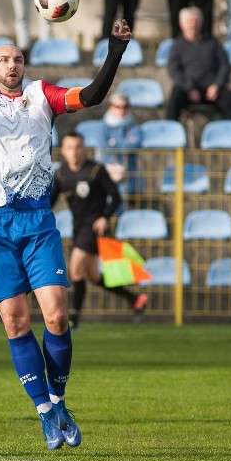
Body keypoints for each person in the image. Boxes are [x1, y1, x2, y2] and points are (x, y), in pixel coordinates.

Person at [0, 18, 134, 450]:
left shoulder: (43, 95)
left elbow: (92, 96)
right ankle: (45, 412)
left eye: (18, 58)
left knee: (58, 315)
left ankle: (58, 402)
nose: (12, 65)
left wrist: (114, 51)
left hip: (38, 221)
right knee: (15, 321)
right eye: (4, 59)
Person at [50, 131, 147, 330]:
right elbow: (50, 202)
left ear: (84, 149)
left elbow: (116, 198)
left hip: (94, 228)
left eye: (78, 147)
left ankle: (73, 319)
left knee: (76, 269)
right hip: (78, 227)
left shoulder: (96, 170)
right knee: (93, 275)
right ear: (64, 151)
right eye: (69, 148)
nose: (74, 152)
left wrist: (105, 216)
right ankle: (135, 299)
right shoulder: (61, 174)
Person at [166, 6, 231, 122]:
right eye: (189, 22)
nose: (193, 25)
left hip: (212, 91)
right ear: (182, 24)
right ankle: (170, 133)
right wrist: (189, 88)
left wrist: (217, 85)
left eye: (196, 22)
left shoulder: (213, 43)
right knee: (175, 96)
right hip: (188, 92)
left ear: (201, 23)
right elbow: (174, 70)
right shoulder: (177, 46)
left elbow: (224, 65)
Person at [96, 92, 143, 195]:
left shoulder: (135, 127)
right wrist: (114, 165)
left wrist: (114, 142)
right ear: (111, 107)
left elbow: (135, 145)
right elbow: (103, 148)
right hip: (107, 171)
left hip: (129, 173)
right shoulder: (103, 126)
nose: (122, 110)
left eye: (125, 106)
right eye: (118, 106)